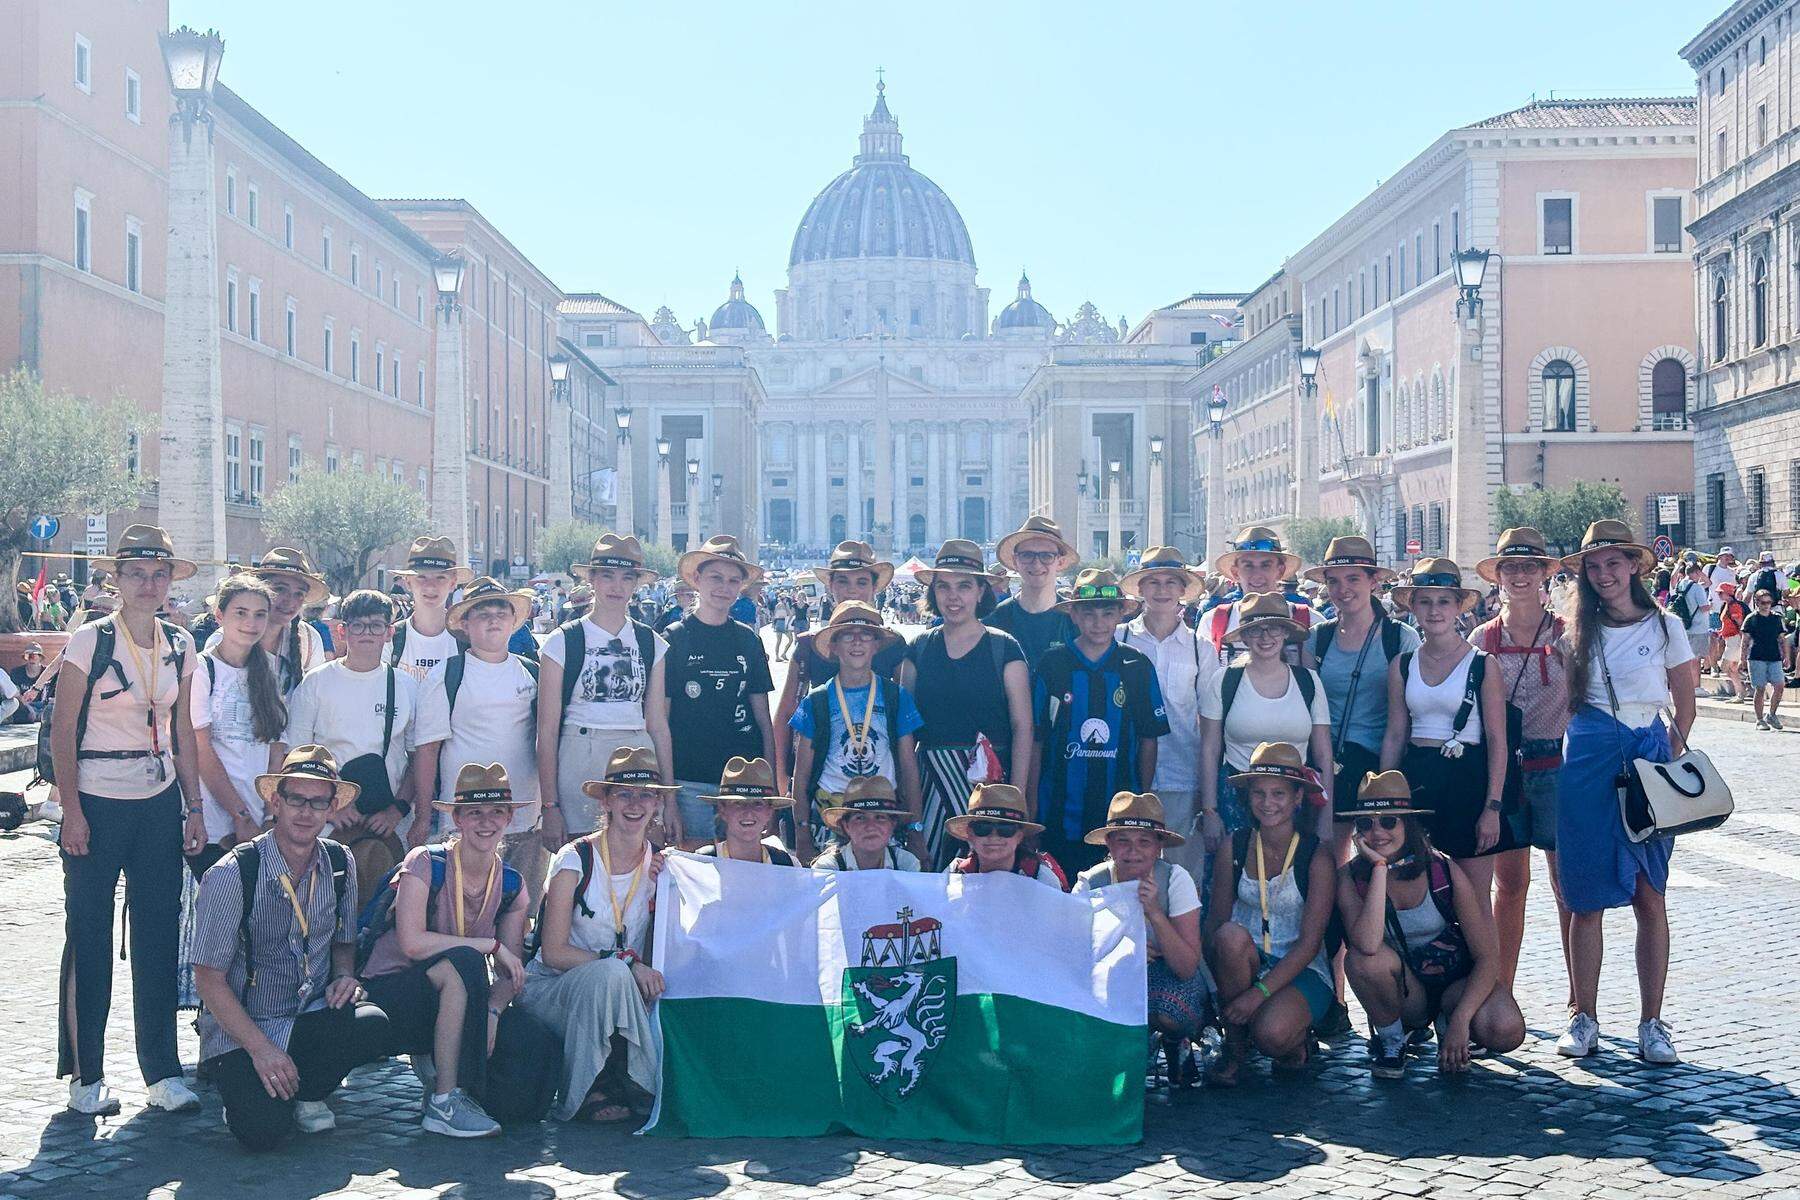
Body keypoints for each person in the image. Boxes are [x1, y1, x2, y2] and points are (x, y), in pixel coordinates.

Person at [53, 524, 204, 1116]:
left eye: (159, 574)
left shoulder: (181, 644)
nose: (150, 584)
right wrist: (71, 811)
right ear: (117, 581)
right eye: (138, 574)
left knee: (159, 934)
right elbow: (63, 729)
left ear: (170, 582)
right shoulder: (89, 640)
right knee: (88, 934)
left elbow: (184, 732)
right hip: (95, 795)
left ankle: (161, 1071)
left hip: (158, 797)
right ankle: (85, 1075)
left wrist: (193, 807)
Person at [191, 747, 389, 1150]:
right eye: (296, 799)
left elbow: (344, 942)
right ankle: (251, 1087)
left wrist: (344, 976)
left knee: (374, 1023)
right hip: (249, 1027)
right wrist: (262, 1050)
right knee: (262, 1134)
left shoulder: (340, 861)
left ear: (332, 808)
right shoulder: (233, 873)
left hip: (307, 1015)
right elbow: (208, 980)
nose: (305, 812)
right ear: (275, 802)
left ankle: (308, 1091)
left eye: (318, 802)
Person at [1555, 520, 1696, 1065]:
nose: (1604, 573)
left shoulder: (1665, 626)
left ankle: (1652, 1022)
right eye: (1594, 565)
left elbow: (1684, 700)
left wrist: (1671, 763)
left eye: (1613, 563)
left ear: (1633, 565)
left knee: (1649, 893)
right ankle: (1583, 1015)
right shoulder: (1575, 627)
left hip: (1648, 753)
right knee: (1584, 895)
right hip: (1588, 755)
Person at [359, 763, 558, 1136]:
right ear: (458, 818)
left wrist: (494, 1011)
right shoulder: (426, 861)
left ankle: (461, 1082)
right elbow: (412, 943)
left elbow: (510, 972)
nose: (486, 822)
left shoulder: (512, 884)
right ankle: (444, 1101)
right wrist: (487, 944)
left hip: (459, 996)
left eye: (496, 812)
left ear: (509, 817)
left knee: (535, 1050)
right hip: (395, 989)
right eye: (474, 812)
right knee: (465, 961)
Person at [1338, 770, 1526, 1080]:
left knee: (1506, 1030)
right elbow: (1367, 945)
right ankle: (1391, 1040)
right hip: (1405, 992)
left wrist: (1462, 1020)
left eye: (1388, 821)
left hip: (1453, 984)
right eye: (1365, 824)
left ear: (1407, 823)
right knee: (1361, 961)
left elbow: (1488, 956)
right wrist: (1380, 870)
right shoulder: (1351, 878)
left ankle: (1447, 1023)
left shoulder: (1443, 870)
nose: (1377, 832)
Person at [523, 746, 673, 1122]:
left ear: (657, 803)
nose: (635, 804)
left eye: (646, 794)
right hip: (555, 989)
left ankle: (641, 1079)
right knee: (610, 974)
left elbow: (658, 950)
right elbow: (554, 952)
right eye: (624, 793)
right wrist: (624, 961)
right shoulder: (575, 859)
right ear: (606, 801)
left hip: (625, 991)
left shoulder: (662, 866)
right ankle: (591, 1088)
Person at [1471, 529, 1573, 1000]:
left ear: (1544, 574)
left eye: (1529, 567)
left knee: (1566, 887)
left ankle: (1579, 997)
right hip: (1507, 772)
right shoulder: (1482, 638)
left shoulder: (1568, 634)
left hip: (1558, 767)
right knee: (1509, 887)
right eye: (1510, 568)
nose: (1520, 576)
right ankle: (1500, 991)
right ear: (1498, 577)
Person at [1380, 558, 1517, 898]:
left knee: (1473, 897)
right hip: (1417, 780)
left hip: (1467, 781)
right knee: (1414, 893)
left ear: (1458, 606)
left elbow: (1498, 741)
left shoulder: (1484, 664)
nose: (1434, 610)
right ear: (1412, 606)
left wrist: (1492, 807)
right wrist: (1384, 796)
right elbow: (1396, 734)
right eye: (1425, 601)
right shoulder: (1403, 664)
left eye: (1443, 601)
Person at [1203, 743, 1336, 1083]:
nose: (1268, 803)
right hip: (1244, 960)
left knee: (1272, 1036)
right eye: (1259, 793)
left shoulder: (1315, 855)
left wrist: (1257, 996)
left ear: (1297, 798)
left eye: (1279, 793)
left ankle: (1294, 1041)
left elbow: (1309, 945)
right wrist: (1214, 987)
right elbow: (1216, 922)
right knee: (1229, 937)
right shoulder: (1234, 845)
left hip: (1301, 968)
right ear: (1248, 797)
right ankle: (1234, 1047)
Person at [277, 589, 420, 901]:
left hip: (387, 824)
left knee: (381, 911)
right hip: (329, 822)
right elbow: (295, 757)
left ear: (389, 633)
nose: (366, 633)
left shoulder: (406, 686)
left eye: (376, 625)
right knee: (320, 906)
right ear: (342, 630)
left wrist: (397, 811)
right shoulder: (316, 683)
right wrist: (331, 809)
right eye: (358, 625)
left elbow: (416, 760)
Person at [898, 541, 1033, 869]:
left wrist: (1014, 802)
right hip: (931, 792)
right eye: (943, 586)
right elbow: (905, 737)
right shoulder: (917, 649)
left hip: (991, 792)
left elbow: (1023, 728)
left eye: (963, 586)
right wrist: (914, 820)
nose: (953, 596)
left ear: (981, 591)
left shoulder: (1005, 648)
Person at [414, 579, 550, 904]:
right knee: (461, 910)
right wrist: (421, 816)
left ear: (513, 621)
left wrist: (549, 808)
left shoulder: (534, 673)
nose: (493, 620)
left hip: (525, 819)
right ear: (465, 623)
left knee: (522, 913)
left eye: (501, 612)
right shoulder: (447, 676)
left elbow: (547, 742)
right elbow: (427, 750)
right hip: (464, 820)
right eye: (483, 613)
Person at [537, 535, 673, 851]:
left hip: (638, 754)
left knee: (639, 860)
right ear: (593, 580)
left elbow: (657, 725)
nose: (617, 586)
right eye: (608, 576)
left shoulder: (652, 643)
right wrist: (550, 806)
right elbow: (546, 730)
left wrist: (669, 799)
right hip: (580, 751)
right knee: (583, 858)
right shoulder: (562, 641)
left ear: (637, 584)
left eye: (627, 578)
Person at [1030, 569, 1168, 875]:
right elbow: (1036, 739)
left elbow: (1149, 739)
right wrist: (1032, 804)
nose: (1098, 622)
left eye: (1108, 613)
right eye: (1089, 613)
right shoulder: (1052, 664)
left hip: (1118, 814)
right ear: (1074, 615)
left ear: (1120, 615)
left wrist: (1142, 797)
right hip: (1058, 810)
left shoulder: (1136, 665)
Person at [1075, 791, 1203, 1083]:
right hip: (1110, 977)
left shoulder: (1175, 878)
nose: (1133, 851)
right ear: (1109, 844)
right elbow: (1072, 952)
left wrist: (1155, 913)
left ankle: (1174, 1041)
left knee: (1174, 1011)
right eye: (1123, 841)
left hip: (1167, 975)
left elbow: (1186, 967)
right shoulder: (1090, 882)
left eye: (1144, 842)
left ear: (1159, 845)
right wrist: (1123, 949)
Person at [1197, 592, 1334, 857]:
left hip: (1296, 799)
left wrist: (1325, 818)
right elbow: (1209, 750)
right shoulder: (1224, 681)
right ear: (1245, 637)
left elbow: (1324, 754)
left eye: (1273, 628)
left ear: (1285, 633)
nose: (1265, 637)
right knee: (1233, 879)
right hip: (1237, 798)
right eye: (1255, 629)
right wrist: (1209, 811)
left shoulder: (1309, 681)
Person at [787, 601, 925, 862]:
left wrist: (916, 831)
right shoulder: (816, 701)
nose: (857, 642)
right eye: (848, 635)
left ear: (876, 645)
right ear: (834, 646)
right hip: (829, 824)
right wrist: (802, 835)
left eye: (866, 635)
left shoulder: (896, 697)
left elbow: (908, 768)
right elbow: (802, 775)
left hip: (883, 822)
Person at [662, 536, 775, 849]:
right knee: (694, 872)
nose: (724, 587)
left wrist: (772, 789)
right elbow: (661, 721)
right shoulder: (675, 638)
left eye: (733, 580)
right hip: (689, 780)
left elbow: (764, 720)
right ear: (696, 580)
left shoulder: (749, 640)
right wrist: (668, 796)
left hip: (744, 783)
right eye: (716, 578)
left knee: (742, 873)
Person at [771, 542, 906, 786]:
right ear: (830, 586)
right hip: (818, 774)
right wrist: (780, 780)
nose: (851, 590)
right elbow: (784, 716)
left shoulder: (894, 645)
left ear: (875, 587)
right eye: (843, 582)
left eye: (861, 582)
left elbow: (907, 719)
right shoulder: (808, 647)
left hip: (880, 779)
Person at [1118, 547, 1215, 877]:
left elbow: (1209, 722)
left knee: (1181, 871)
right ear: (1140, 589)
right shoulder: (1120, 638)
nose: (1162, 590)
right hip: (1126, 773)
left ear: (1182, 590)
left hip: (1181, 774)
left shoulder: (1201, 649)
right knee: (1126, 868)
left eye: (1170, 583)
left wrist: (1207, 786)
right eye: (1153, 582)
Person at [190, 575, 290, 877]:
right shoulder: (200, 669)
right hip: (214, 821)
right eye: (241, 613)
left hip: (260, 817)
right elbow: (201, 749)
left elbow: (275, 748)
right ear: (220, 615)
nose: (251, 622)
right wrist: (239, 815)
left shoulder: (270, 671)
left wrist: (271, 814)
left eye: (260, 614)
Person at [218, 547, 330, 696]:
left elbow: (316, 697)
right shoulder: (226, 638)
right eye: (280, 589)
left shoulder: (309, 640)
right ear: (260, 590)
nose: (290, 601)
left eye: (299, 594)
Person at [1200, 526, 1313, 665]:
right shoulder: (1212, 622)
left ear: (1280, 571)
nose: (1257, 574)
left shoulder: (1309, 620)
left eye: (1266, 565)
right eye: (1248, 565)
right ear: (1236, 573)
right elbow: (1206, 682)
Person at [985, 516, 1080, 679]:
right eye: (1027, 555)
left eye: (1046, 556)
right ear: (1015, 561)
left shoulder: (1076, 620)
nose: (1036, 564)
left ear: (1060, 562)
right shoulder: (993, 621)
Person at [945, 783, 1066, 887]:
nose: (993, 836)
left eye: (1005, 829)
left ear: (1019, 836)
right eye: (983, 828)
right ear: (970, 834)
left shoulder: (1041, 878)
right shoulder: (954, 874)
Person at [389, 537, 473, 683]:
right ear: (408, 582)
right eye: (421, 577)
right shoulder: (390, 638)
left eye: (440, 577)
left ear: (452, 583)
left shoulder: (466, 640)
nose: (430, 586)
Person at [692, 756, 800, 865]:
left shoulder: (788, 865)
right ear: (722, 809)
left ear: (769, 812)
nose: (748, 812)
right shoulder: (701, 863)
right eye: (738, 803)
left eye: (758, 804)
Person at [812, 776, 923, 871]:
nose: (870, 826)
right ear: (846, 826)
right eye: (860, 818)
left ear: (892, 824)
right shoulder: (827, 868)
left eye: (880, 818)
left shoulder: (906, 865)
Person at [1744, 587, 1789, 730]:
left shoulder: (1776, 618)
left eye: (1769, 602)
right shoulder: (1751, 619)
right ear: (1757, 603)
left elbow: (1782, 639)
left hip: (1774, 656)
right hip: (1757, 656)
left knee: (1779, 685)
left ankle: (1772, 714)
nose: (1766, 605)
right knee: (1760, 688)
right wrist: (1742, 659)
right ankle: (1759, 719)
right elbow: (1745, 640)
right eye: (1763, 602)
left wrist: (1786, 656)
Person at [1670, 561, 1713, 670]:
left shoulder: (1681, 585)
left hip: (1685, 626)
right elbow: (1703, 608)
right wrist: (1711, 606)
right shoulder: (1697, 588)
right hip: (1698, 628)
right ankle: (1696, 686)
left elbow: (1708, 583)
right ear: (1697, 572)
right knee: (1696, 660)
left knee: (1688, 657)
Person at [1717, 581, 1750, 701]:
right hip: (1729, 640)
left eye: (1721, 593)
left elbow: (1740, 625)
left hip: (1735, 640)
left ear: (1727, 593)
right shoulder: (1726, 605)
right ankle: (1740, 693)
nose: (1719, 595)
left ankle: (1741, 688)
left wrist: (1744, 643)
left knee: (1725, 666)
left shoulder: (1734, 606)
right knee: (1732, 667)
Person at [8, 640, 50, 725]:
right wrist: (28, 707)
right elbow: (15, 695)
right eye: (29, 656)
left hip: (42, 707)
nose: (32, 659)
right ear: (25, 658)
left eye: (35, 656)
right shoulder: (16, 673)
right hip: (24, 707)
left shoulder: (47, 673)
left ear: (41, 657)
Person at [771, 594, 794, 662]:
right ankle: (783, 653)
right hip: (784, 622)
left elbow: (775, 615)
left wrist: (773, 624)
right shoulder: (784, 605)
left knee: (778, 641)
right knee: (790, 639)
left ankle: (777, 656)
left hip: (778, 622)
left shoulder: (777, 605)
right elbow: (790, 614)